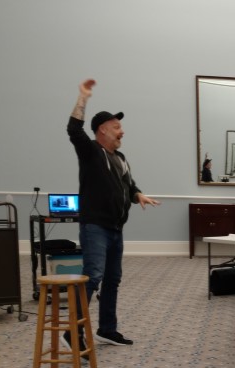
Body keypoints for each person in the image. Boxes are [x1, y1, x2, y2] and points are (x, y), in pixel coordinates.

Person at [65, 78, 160, 353]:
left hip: (116, 229)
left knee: (112, 280)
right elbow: (73, 129)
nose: (122, 132)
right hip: (95, 226)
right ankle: (74, 332)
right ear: (102, 131)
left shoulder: (121, 158)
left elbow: (128, 185)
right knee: (92, 277)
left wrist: (138, 194)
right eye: (117, 127)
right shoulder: (91, 152)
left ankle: (106, 329)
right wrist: (83, 98)